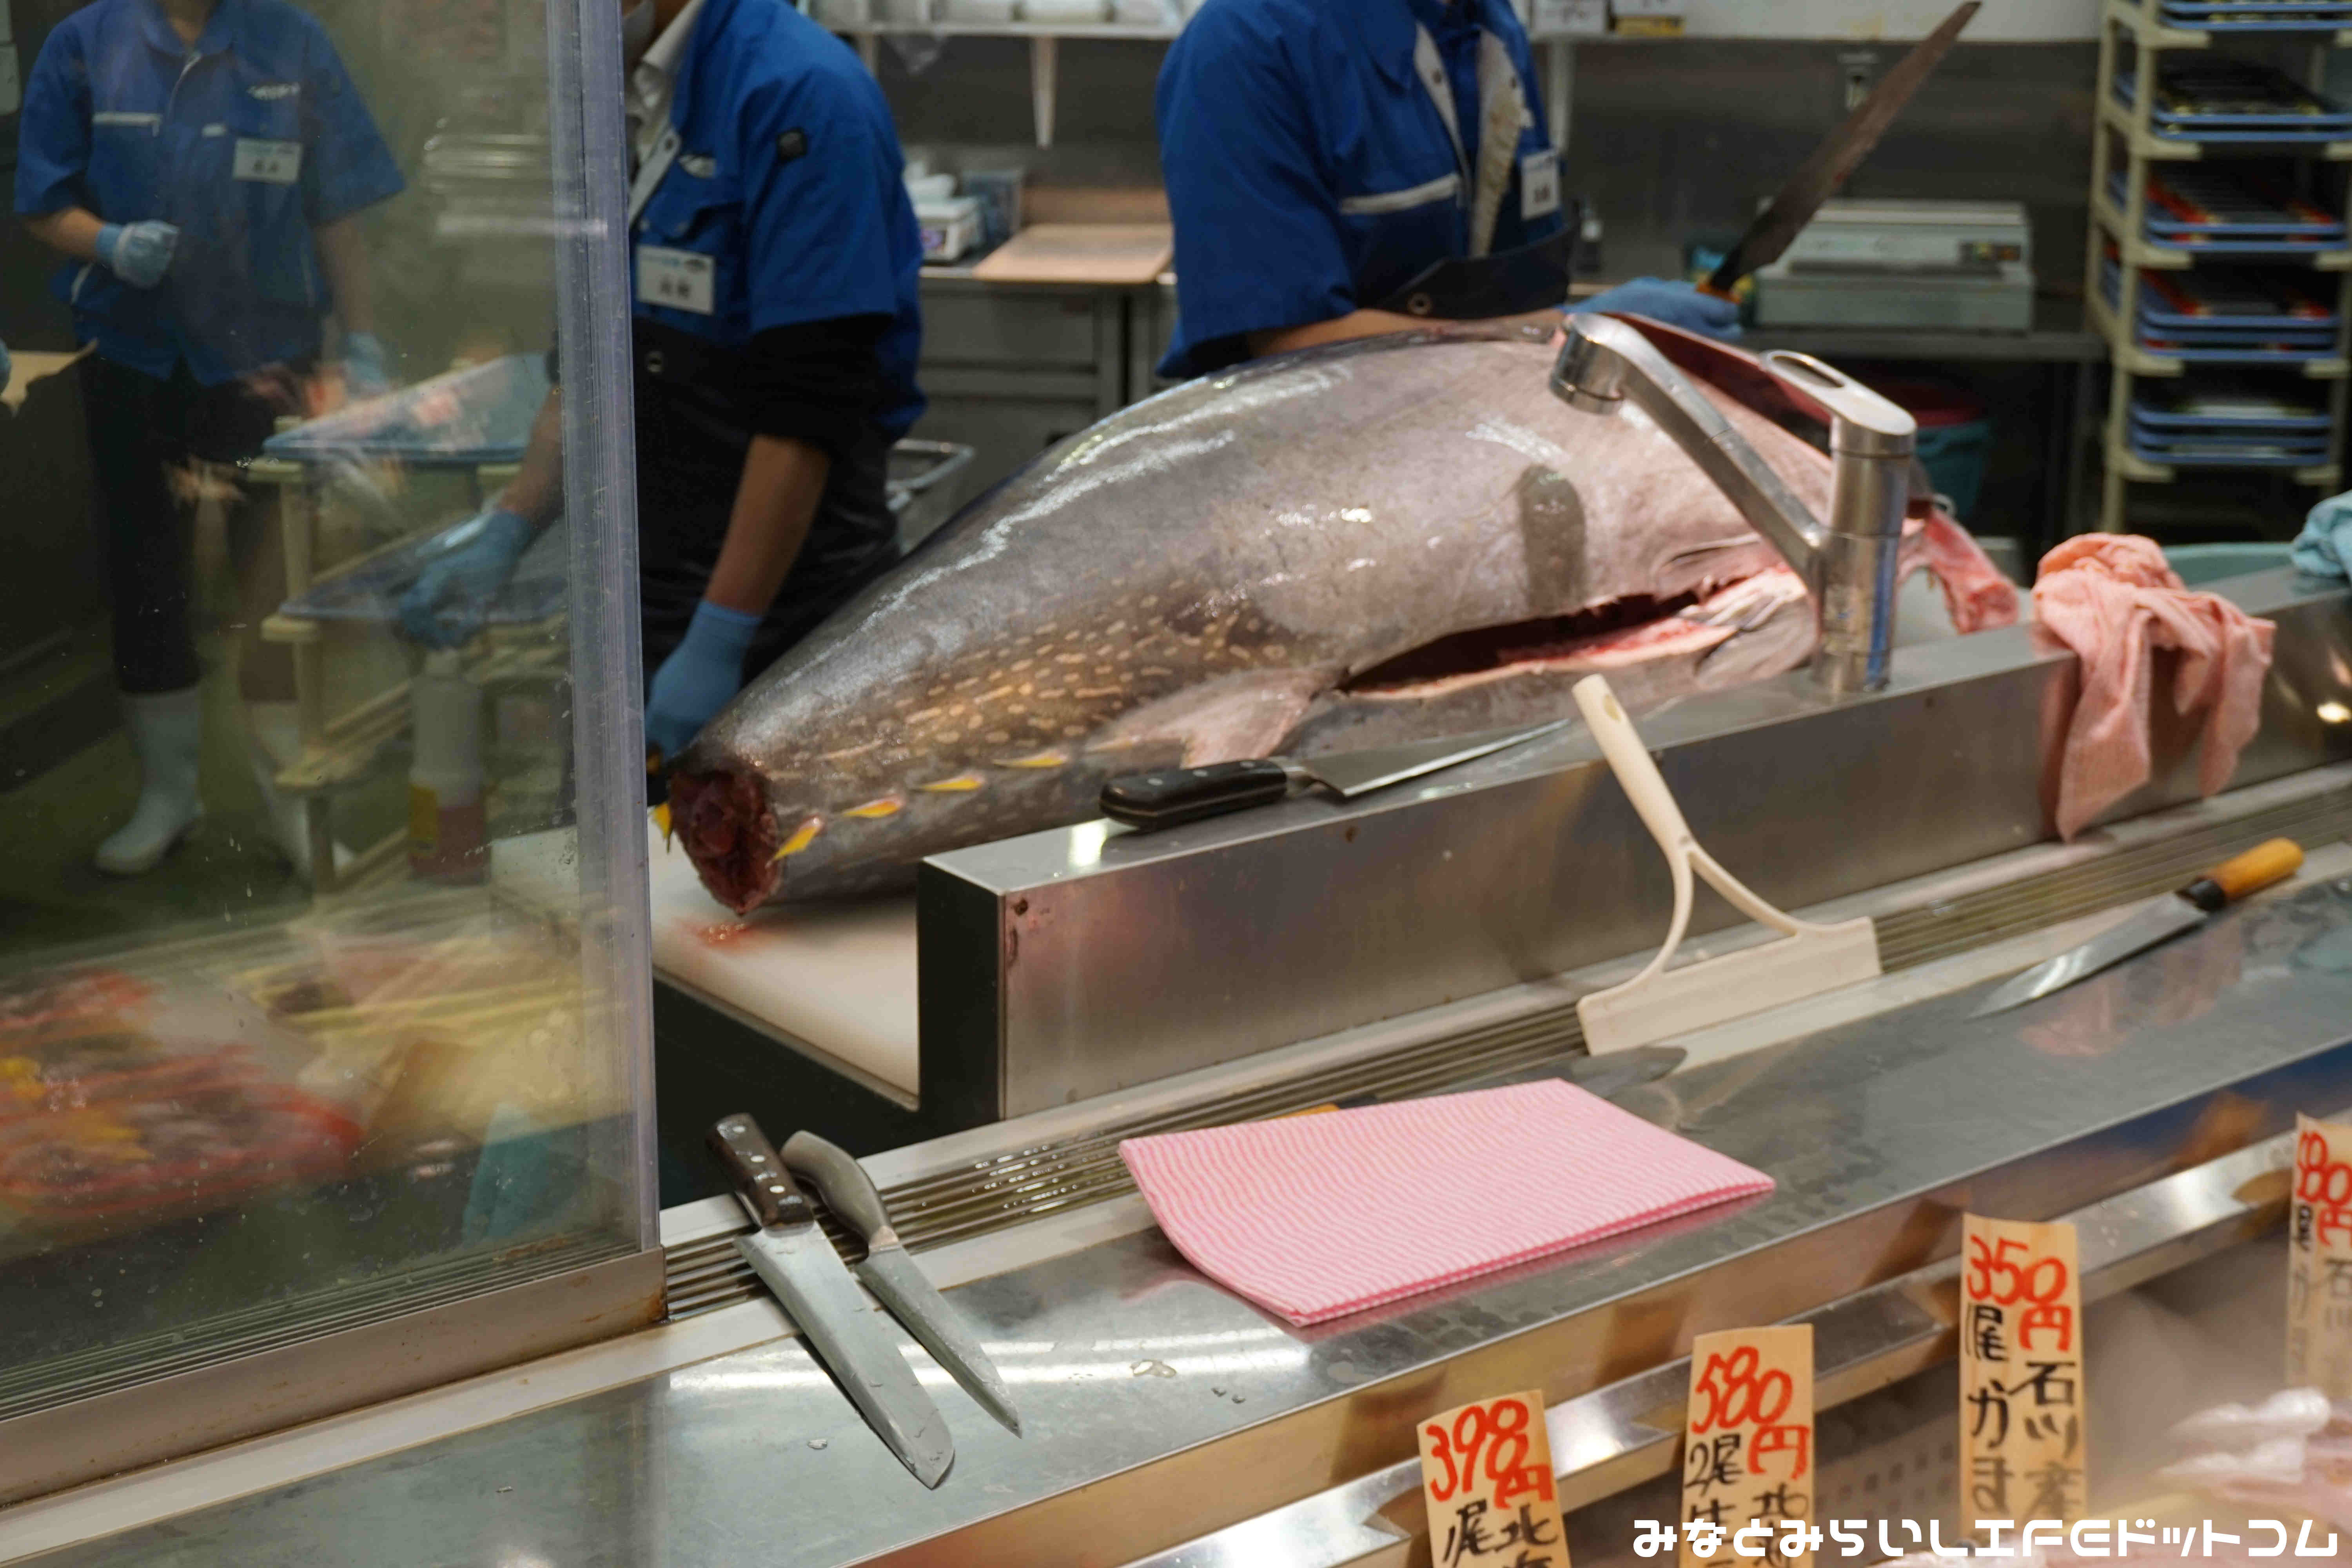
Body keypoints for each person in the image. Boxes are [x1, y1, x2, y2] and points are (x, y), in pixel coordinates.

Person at [398, 0, 926, 764]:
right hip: (641, 601)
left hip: (786, 612)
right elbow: (586, 372)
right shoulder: (609, 90)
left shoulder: (799, 91)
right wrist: (508, 526)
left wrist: (721, 638)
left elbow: (806, 412)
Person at [16, 0, 403, 875]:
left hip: (262, 359)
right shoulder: (87, 43)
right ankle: (168, 793)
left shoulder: (289, 39)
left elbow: (336, 209)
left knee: (276, 581)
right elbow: (42, 201)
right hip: (132, 354)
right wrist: (109, 243)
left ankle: (293, 804)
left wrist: (364, 341)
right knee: (145, 574)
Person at [1154, 0, 1740, 380]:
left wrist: (1584, 329)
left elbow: (1504, 289)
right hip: (1298, 470)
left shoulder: (1488, 27)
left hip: (1453, 441)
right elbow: (1291, 346)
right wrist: (1574, 332)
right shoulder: (1246, 45)